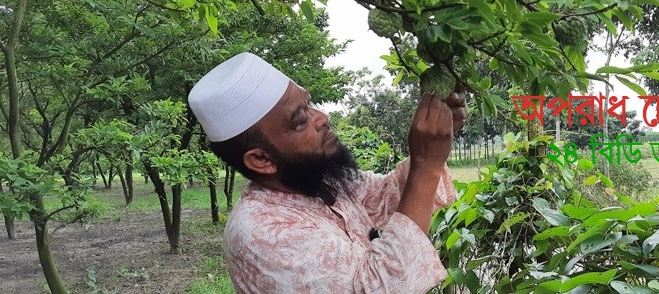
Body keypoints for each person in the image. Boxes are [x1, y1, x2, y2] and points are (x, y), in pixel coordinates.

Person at [188, 52, 467, 293]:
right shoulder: (261, 234)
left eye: (308, 103)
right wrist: (425, 164)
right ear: (261, 160)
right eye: (300, 120)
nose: (321, 117)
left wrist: (439, 135)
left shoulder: (317, 180)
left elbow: (387, 197)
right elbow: (380, 288)